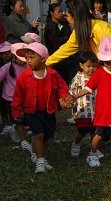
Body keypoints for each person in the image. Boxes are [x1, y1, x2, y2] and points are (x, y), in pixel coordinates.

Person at [72, 36, 111, 173]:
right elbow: (89, 88)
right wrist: (75, 96)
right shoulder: (99, 72)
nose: (109, 64)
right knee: (98, 136)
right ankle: (92, 154)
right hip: (103, 113)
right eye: (106, 62)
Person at [11, 43, 73, 173]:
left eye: (32, 57)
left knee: (46, 136)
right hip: (31, 111)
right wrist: (16, 110)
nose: (28, 61)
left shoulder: (52, 74)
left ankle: (41, 157)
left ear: (43, 59)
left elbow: (62, 87)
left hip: (48, 110)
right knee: (38, 134)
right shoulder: (24, 76)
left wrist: (65, 97)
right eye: (27, 58)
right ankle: (39, 161)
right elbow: (18, 95)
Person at [46, 0, 111, 81]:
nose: (66, 19)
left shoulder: (100, 28)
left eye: (68, 16)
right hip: (110, 72)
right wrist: (46, 62)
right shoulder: (79, 32)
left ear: (76, 17)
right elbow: (65, 50)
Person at [0, 42, 30, 150]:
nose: (23, 59)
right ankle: (23, 140)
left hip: (26, 98)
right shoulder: (7, 67)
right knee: (18, 119)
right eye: (20, 57)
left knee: (25, 119)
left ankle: (14, 128)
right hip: (11, 98)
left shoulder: (29, 66)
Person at [69, 51, 98, 157]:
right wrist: (70, 100)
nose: (91, 69)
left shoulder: (97, 76)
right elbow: (71, 91)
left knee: (94, 130)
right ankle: (76, 143)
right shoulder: (78, 78)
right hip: (82, 109)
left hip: (95, 109)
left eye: (94, 66)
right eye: (88, 66)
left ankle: (94, 149)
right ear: (81, 65)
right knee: (83, 130)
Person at [44, 3, 72, 84]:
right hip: (54, 57)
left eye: (61, 11)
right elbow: (56, 42)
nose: (61, 13)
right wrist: (67, 38)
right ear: (52, 13)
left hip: (64, 58)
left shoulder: (63, 24)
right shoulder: (50, 26)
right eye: (58, 12)